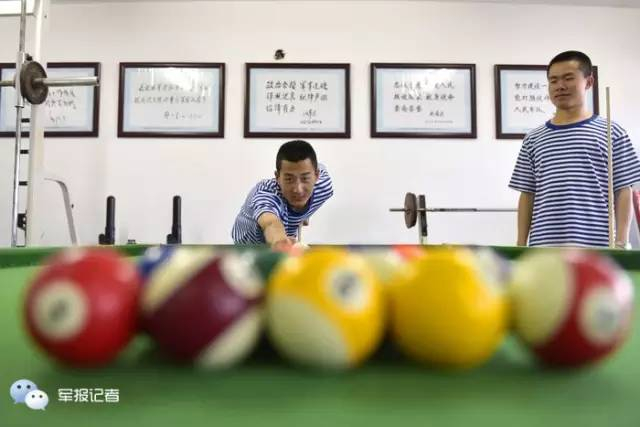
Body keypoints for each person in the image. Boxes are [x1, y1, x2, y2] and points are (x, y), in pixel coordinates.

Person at [509, 50, 640, 248]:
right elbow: (527, 194)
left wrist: (622, 242)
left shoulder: (612, 132)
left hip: (597, 245)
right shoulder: (533, 139)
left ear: (589, 82)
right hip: (544, 246)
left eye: (568, 78)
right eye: (553, 80)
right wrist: (520, 244)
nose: (560, 86)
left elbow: (623, 190)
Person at [231, 139, 333, 250]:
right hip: (248, 246)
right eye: (289, 179)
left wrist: (305, 213)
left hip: (285, 237)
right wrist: (280, 241)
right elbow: (270, 223)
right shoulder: (267, 194)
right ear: (277, 177)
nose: (298, 190)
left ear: (316, 175)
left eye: (305, 178)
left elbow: (319, 166)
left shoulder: (324, 186)